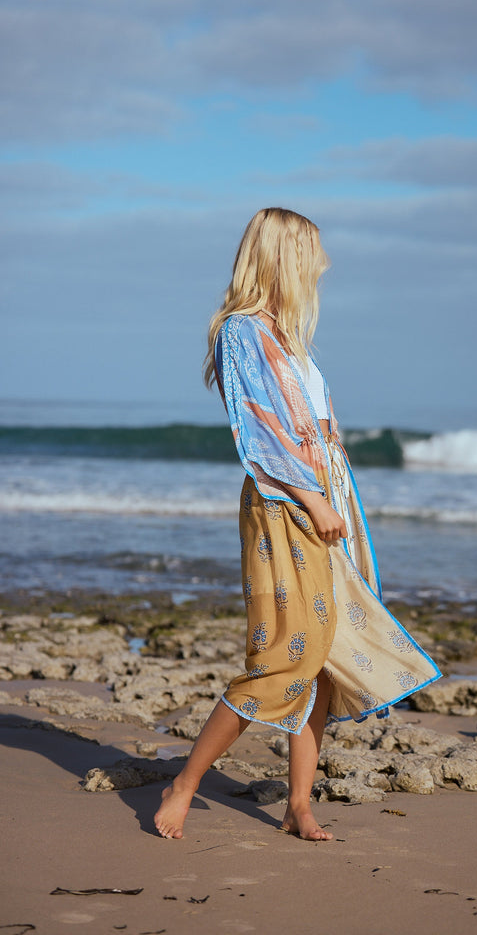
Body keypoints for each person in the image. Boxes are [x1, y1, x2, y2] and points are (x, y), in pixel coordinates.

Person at [154, 208, 440, 841]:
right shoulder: (242, 332)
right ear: (283, 257)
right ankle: (186, 782)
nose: (325, 266)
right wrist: (314, 502)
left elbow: (317, 430)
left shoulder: (287, 339)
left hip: (327, 497)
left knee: (327, 659)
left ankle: (298, 805)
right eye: (315, 252)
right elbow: (257, 441)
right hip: (286, 503)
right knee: (287, 655)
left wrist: (333, 492)